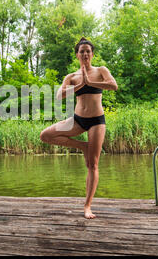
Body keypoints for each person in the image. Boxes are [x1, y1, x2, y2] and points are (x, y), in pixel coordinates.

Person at [40, 37, 118, 219]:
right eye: (81, 51)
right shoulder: (72, 77)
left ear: (92, 54)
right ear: (77, 55)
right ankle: (82, 146)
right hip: (77, 120)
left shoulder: (101, 71)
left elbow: (113, 85)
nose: (85, 54)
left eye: (88, 51)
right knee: (45, 135)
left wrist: (91, 84)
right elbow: (60, 96)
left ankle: (87, 206)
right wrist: (82, 84)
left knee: (93, 164)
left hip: (96, 122)